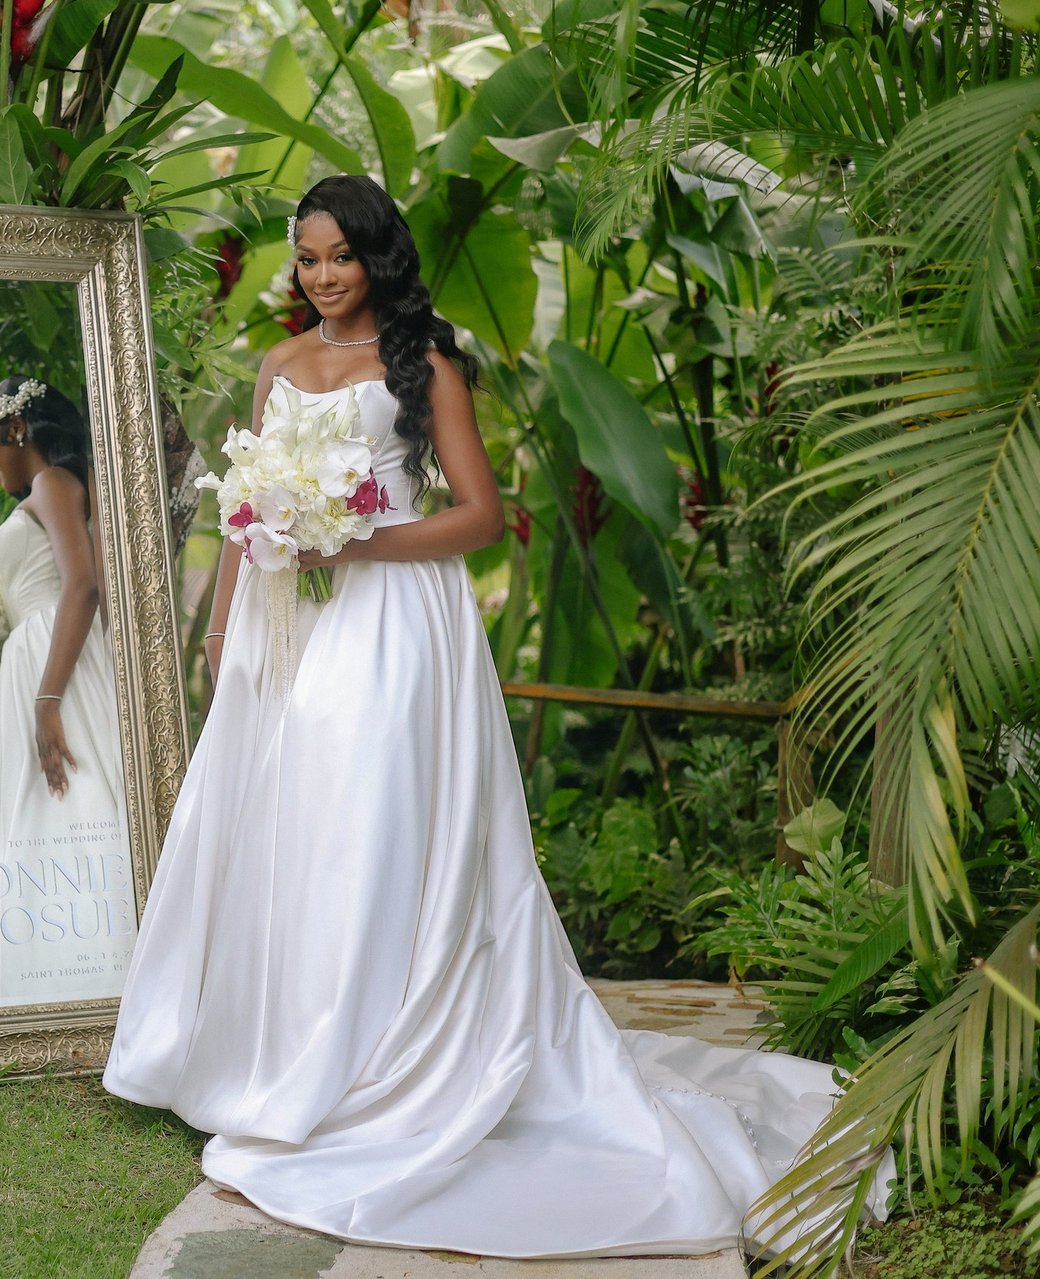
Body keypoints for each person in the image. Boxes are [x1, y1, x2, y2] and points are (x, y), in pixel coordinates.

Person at [104, 175, 885, 1259]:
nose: (323, 276)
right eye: (308, 256)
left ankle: (382, 1056)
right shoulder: (278, 366)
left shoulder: (428, 366)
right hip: (290, 628)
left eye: (341, 255)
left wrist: (357, 539)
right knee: (296, 836)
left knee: (373, 830)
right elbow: (247, 520)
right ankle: (277, 1048)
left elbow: (475, 519)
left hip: (394, 626)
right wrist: (232, 639)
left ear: (379, 257)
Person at [0, 378, 133, 1008]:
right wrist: (10, 665)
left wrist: (47, 699)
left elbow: (82, 586)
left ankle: (96, 982)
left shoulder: (53, 484)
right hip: (39, 667)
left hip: (58, 679)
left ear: (16, 429)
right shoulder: (43, 492)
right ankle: (40, 991)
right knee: (35, 812)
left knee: (72, 802)